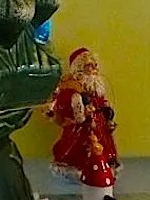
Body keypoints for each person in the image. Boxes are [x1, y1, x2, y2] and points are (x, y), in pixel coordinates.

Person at [48, 47, 118, 175]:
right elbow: (64, 105)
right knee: (78, 145)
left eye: (94, 65)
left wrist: (108, 114)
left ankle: (103, 165)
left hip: (99, 122)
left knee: (103, 144)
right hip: (81, 124)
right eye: (89, 66)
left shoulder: (95, 85)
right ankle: (79, 167)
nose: (93, 69)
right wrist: (80, 110)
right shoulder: (71, 86)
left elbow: (101, 101)